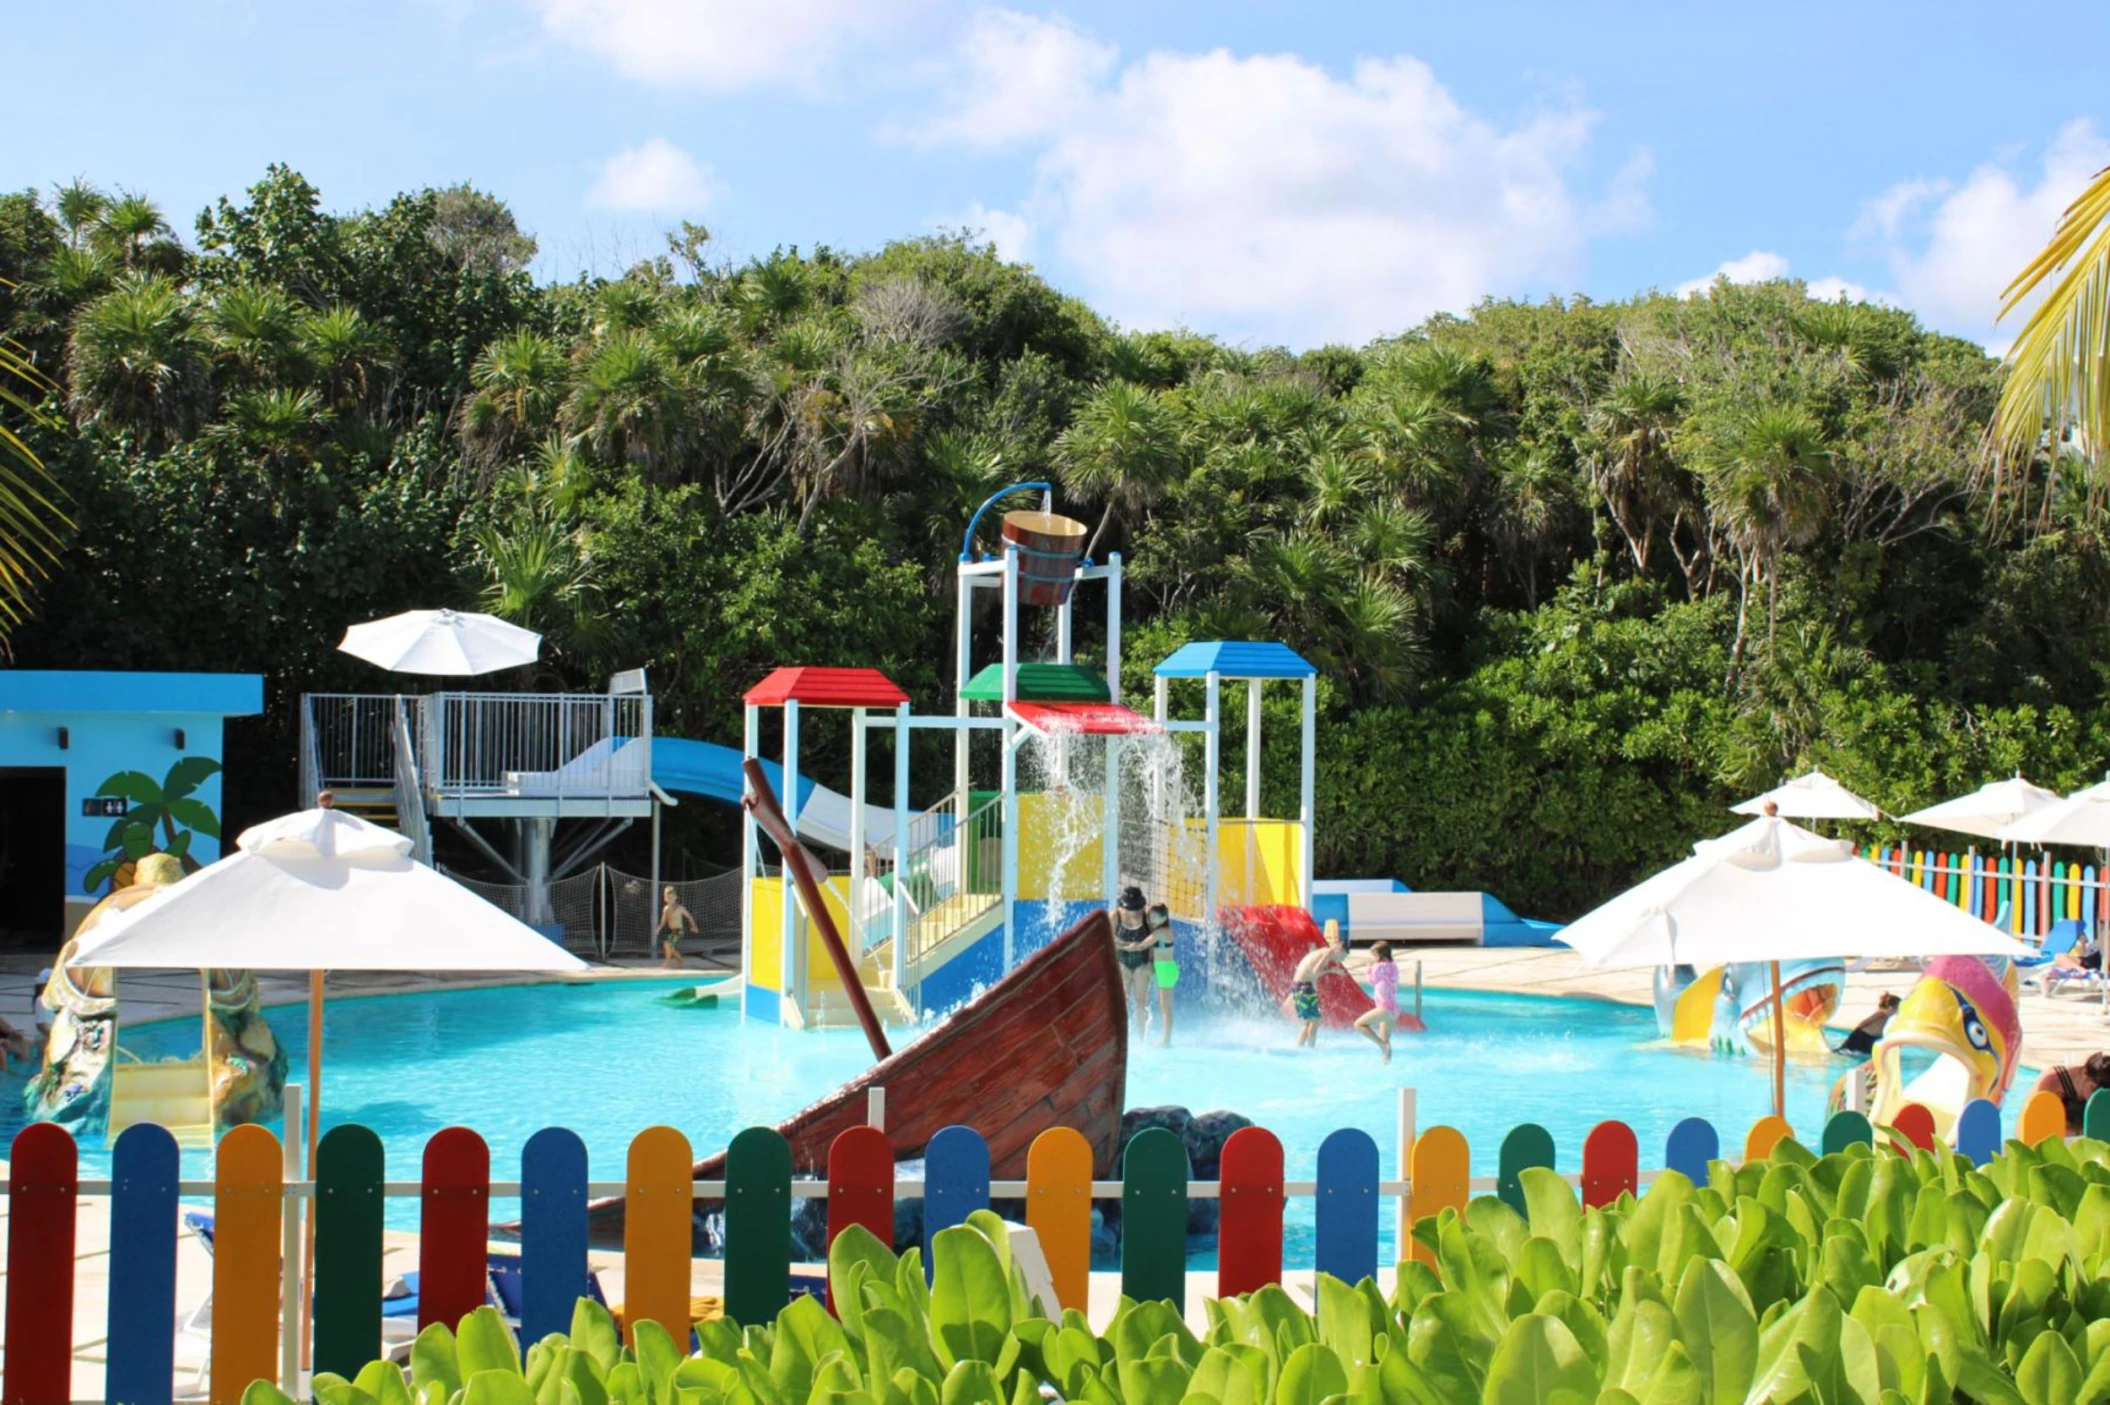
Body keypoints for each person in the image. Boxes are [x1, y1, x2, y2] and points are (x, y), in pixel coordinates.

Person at [1288, 920, 1352, 1048]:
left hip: (1300, 986)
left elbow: (1311, 969)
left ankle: (1300, 1047)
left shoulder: (1323, 951)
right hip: (1304, 987)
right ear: (1339, 950)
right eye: (1343, 957)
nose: (1342, 960)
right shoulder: (1328, 953)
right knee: (1315, 1020)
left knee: (1309, 1022)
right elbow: (1315, 971)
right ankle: (1310, 1048)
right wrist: (1332, 970)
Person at [1112, 887, 1155, 1035]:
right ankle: (1121, 1035)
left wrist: (1151, 962)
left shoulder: (1147, 917)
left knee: (1140, 1001)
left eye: (1138, 908)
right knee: (1122, 1001)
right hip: (1122, 962)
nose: (1136, 911)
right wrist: (1127, 946)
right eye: (1132, 908)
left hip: (1142, 963)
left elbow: (1157, 937)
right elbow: (1108, 937)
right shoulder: (1115, 916)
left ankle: (1142, 1038)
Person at [2034, 1052, 2110, 1134]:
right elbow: (2035, 1126)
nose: (2095, 1097)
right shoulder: (2052, 1082)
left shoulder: (2101, 1090)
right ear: (2085, 1074)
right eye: (2093, 1089)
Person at [1353, 941, 1399, 1064]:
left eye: (1374, 955)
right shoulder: (1393, 965)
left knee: (1358, 1024)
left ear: (1380, 956)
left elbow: (1371, 981)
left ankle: (1381, 1045)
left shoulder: (1378, 967)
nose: (1373, 958)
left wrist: (1368, 969)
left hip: (1384, 1008)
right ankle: (1386, 1064)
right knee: (1386, 1040)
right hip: (1394, 1009)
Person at [1147, 904, 1177, 1048]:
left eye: (1155, 916)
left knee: (1166, 1007)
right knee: (1163, 1006)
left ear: (1164, 918)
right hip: (1163, 969)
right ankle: (1166, 1039)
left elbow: (1142, 945)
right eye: (1150, 916)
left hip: (1166, 970)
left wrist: (1123, 946)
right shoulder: (1159, 930)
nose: (1151, 918)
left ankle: (1167, 1040)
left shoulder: (1163, 932)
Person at [1834, 992, 1899, 1058]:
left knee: (1868, 1055)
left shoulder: (1886, 1016)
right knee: (1846, 1052)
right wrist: (1856, 1031)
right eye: (1897, 1009)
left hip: (1872, 1038)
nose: (1898, 1012)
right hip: (1862, 1036)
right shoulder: (1880, 1014)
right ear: (1891, 1008)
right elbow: (1865, 1022)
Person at [656, 885, 697, 969]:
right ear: (665, 898)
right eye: (668, 897)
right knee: (670, 947)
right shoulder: (666, 909)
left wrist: (694, 926)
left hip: (679, 931)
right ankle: (680, 960)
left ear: (675, 898)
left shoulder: (679, 908)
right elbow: (663, 921)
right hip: (673, 931)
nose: (670, 899)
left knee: (667, 944)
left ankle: (667, 963)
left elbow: (689, 916)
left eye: (671, 897)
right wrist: (658, 928)